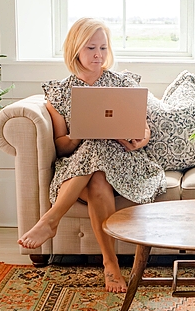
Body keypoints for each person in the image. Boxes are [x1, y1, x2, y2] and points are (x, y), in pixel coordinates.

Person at [17, 17, 167, 292]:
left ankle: (51, 220)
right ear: (75, 49)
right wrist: (83, 131)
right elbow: (62, 146)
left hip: (123, 163)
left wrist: (137, 140)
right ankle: (110, 264)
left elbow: (142, 130)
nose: (98, 55)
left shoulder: (122, 84)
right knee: (96, 167)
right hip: (80, 168)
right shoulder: (60, 93)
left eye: (103, 48)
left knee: (100, 153)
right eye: (90, 48)